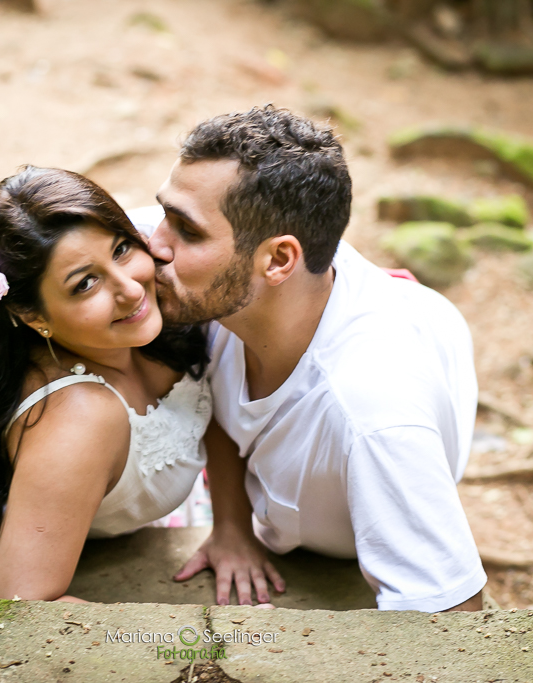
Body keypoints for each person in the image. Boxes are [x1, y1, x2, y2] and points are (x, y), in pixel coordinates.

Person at [141, 105, 486, 612]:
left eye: (186, 231)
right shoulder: (229, 280)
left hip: (360, 477)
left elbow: (454, 618)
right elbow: (213, 384)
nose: (153, 243)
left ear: (280, 260)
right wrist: (232, 524)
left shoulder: (372, 417)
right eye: (164, 214)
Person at [0, 165, 212, 600]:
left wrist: (235, 529)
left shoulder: (160, 291)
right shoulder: (78, 421)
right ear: (33, 317)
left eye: (121, 248)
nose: (132, 289)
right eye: (86, 284)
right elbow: (18, 606)